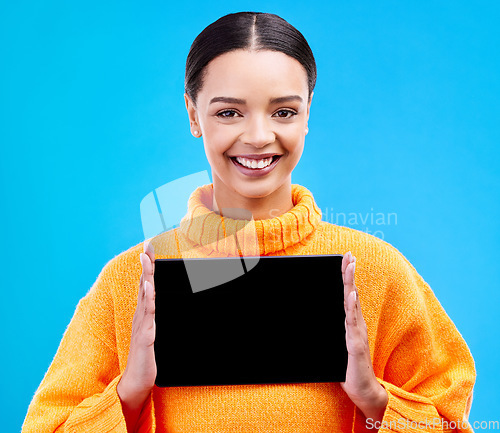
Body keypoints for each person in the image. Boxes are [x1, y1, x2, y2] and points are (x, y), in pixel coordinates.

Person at [22, 11, 475, 433]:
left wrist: (373, 400)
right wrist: (128, 396)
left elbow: (452, 423)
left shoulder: (373, 270)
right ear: (193, 114)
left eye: (283, 111)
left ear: (308, 113)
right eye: (228, 112)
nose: (258, 137)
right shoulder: (132, 280)